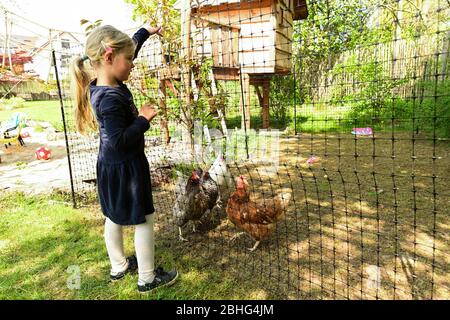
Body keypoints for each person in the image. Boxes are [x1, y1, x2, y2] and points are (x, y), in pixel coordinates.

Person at [70, 24, 178, 293]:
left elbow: (129, 49)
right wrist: (142, 119)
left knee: (113, 217)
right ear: (108, 58)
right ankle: (147, 279)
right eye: (128, 60)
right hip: (127, 168)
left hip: (109, 166)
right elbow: (120, 140)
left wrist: (145, 32)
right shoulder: (110, 99)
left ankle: (118, 265)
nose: (132, 64)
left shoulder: (102, 84)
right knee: (144, 220)